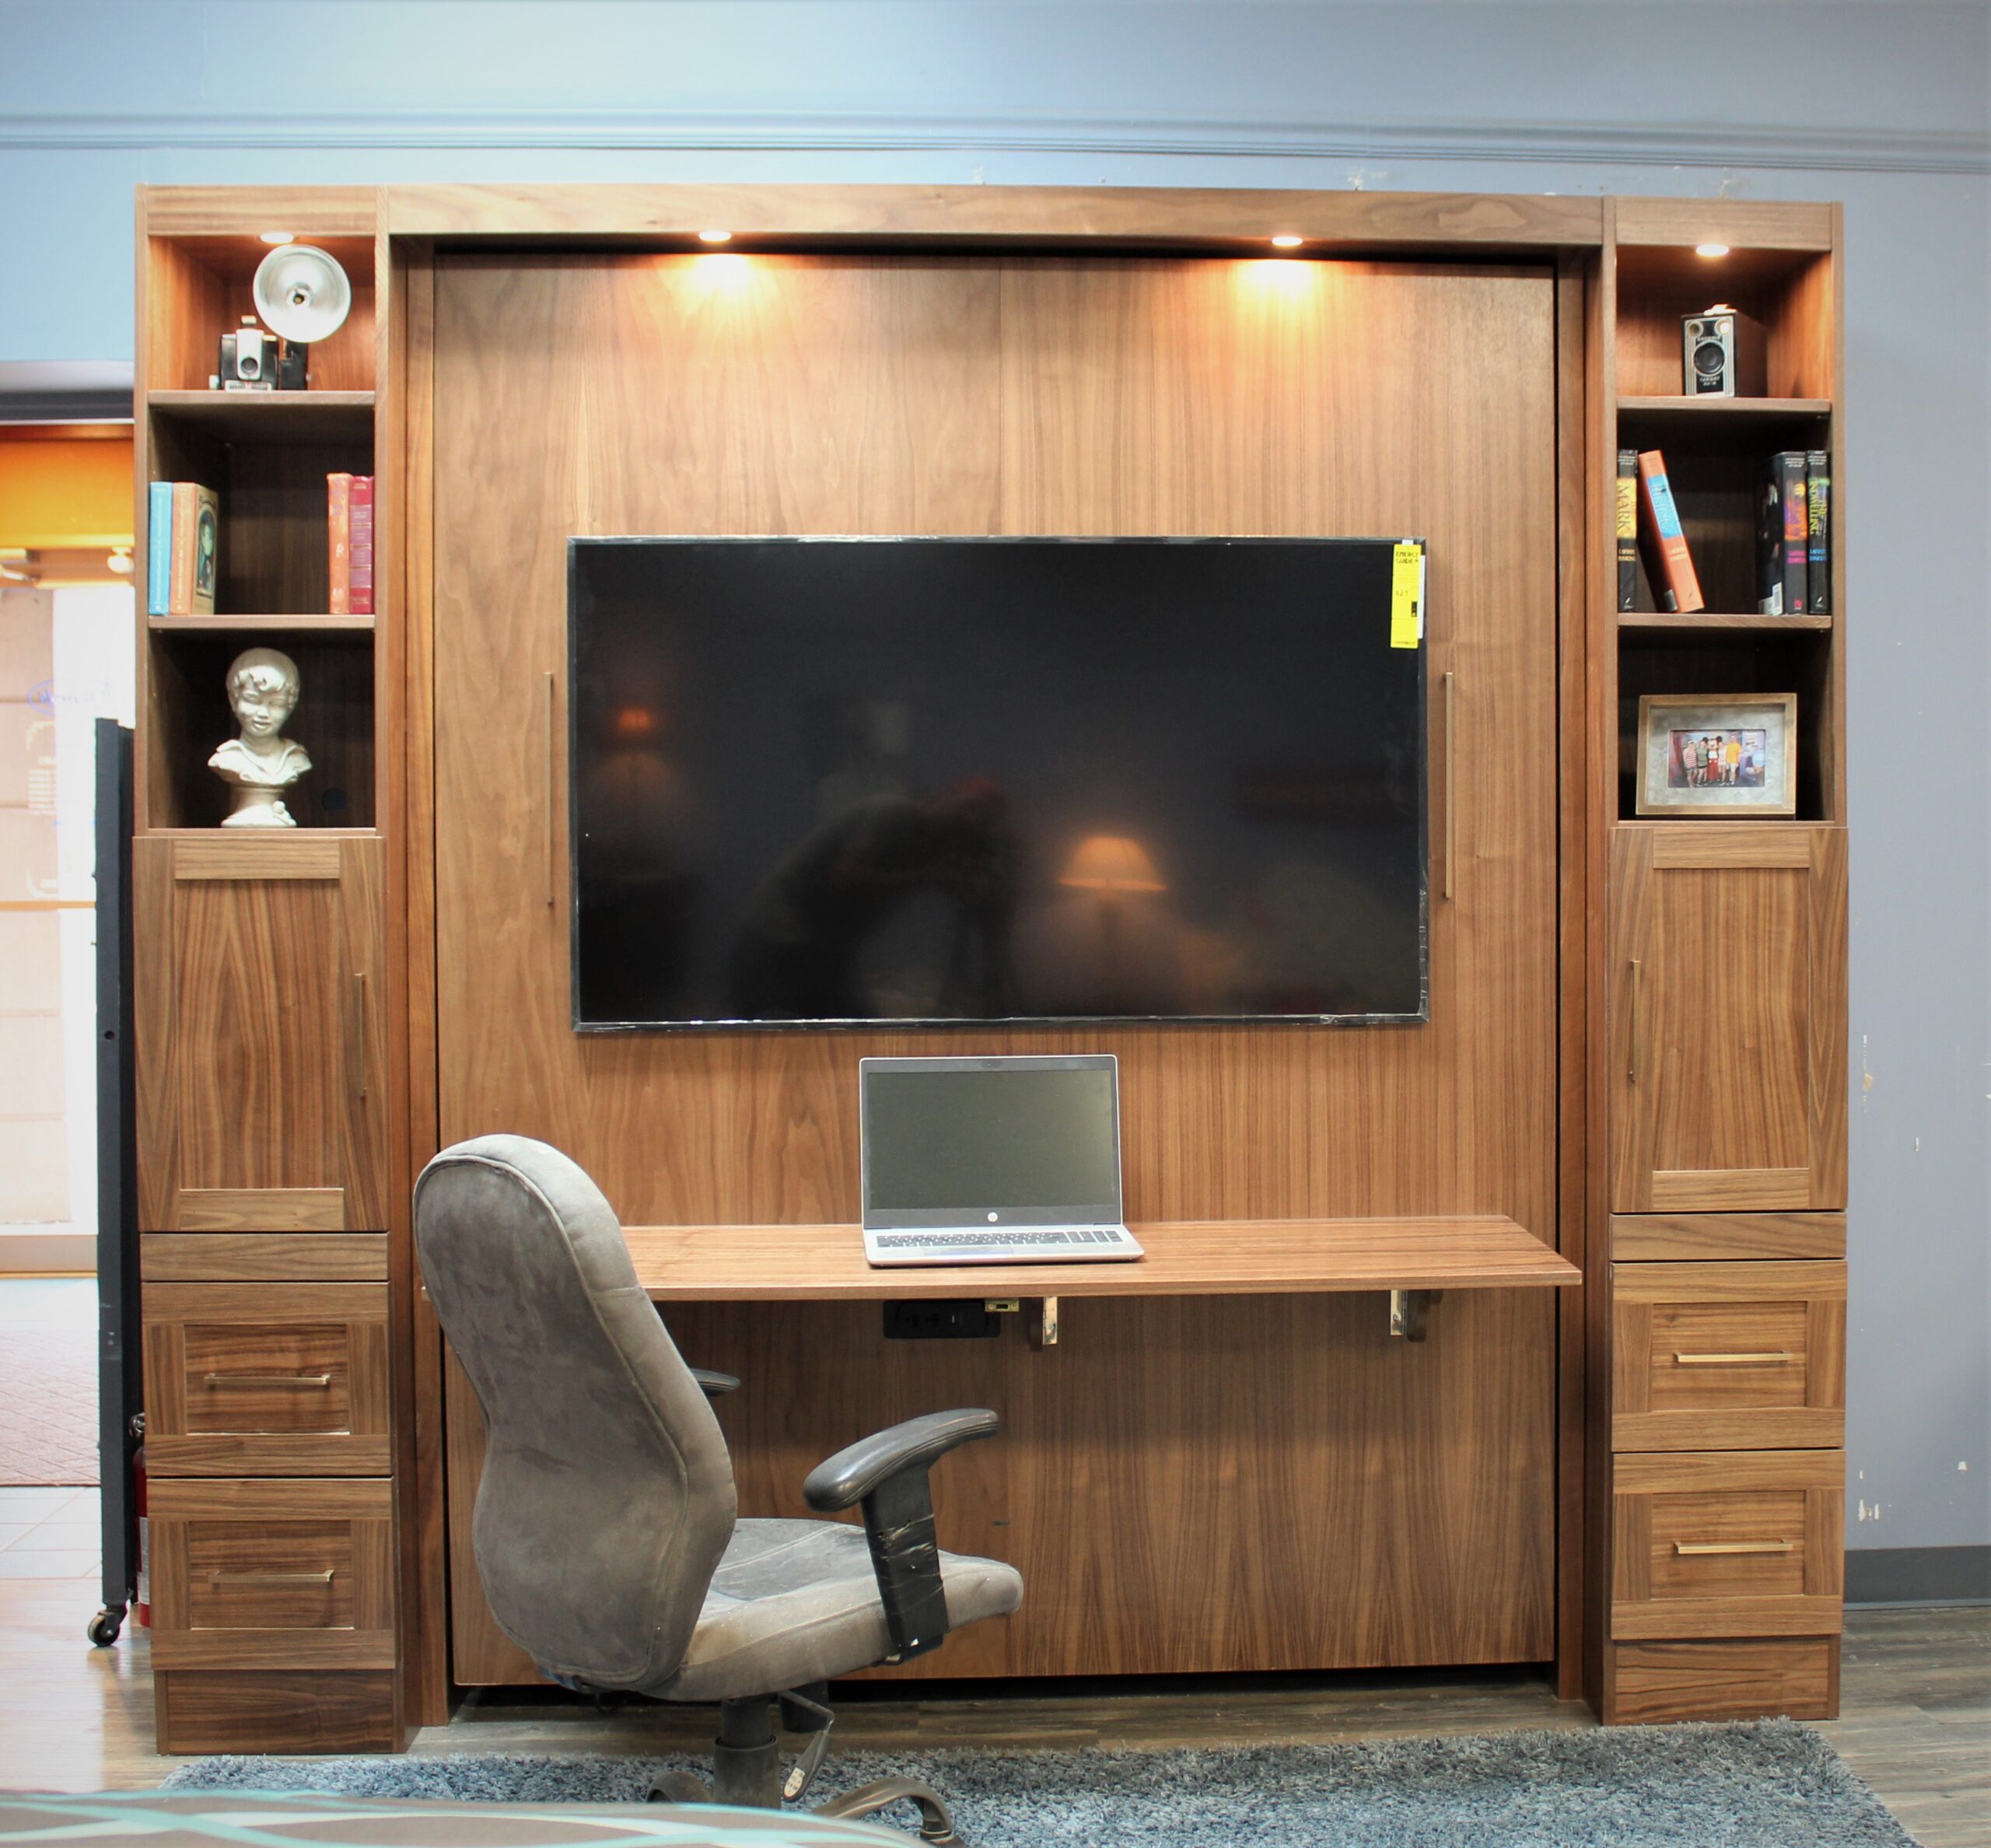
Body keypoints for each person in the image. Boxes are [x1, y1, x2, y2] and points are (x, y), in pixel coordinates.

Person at [208, 646, 311, 827]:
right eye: (252, 700)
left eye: (276, 704)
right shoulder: (226, 758)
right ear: (234, 700)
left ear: (290, 705)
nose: (263, 713)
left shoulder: (295, 758)